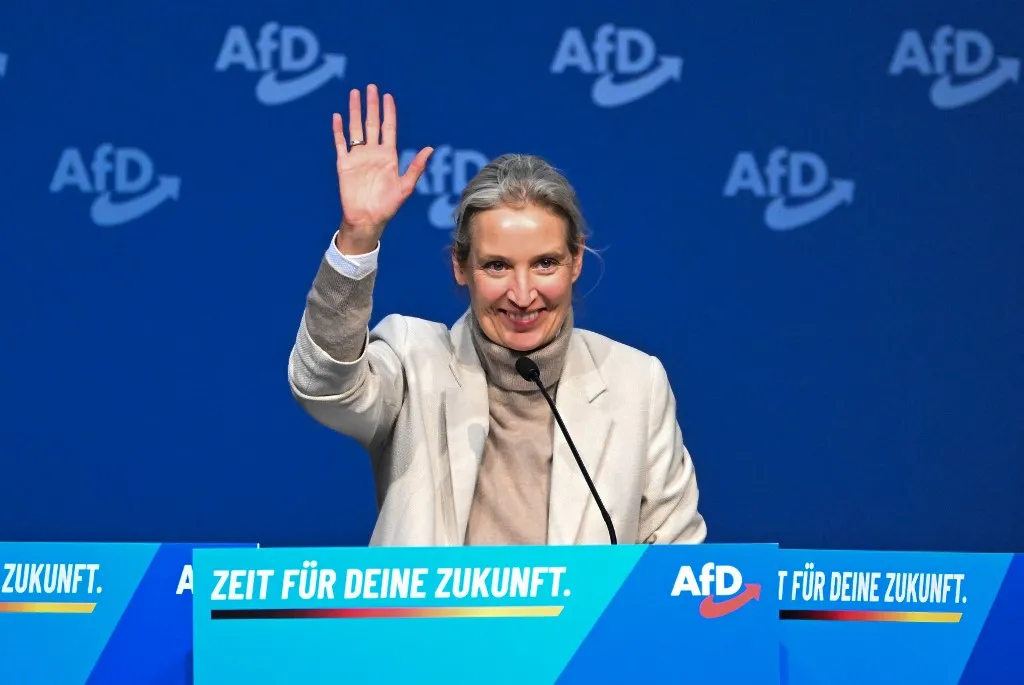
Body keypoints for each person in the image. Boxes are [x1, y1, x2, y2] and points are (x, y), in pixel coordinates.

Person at [288, 84, 707, 547]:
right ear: (461, 267)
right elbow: (324, 384)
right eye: (497, 266)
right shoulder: (413, 361)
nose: (523, 295)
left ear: (576, 262)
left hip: (584, 624)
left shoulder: (635, 382)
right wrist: (358, 239)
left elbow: (674, 566)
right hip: (430, 623)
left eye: (545, 263)